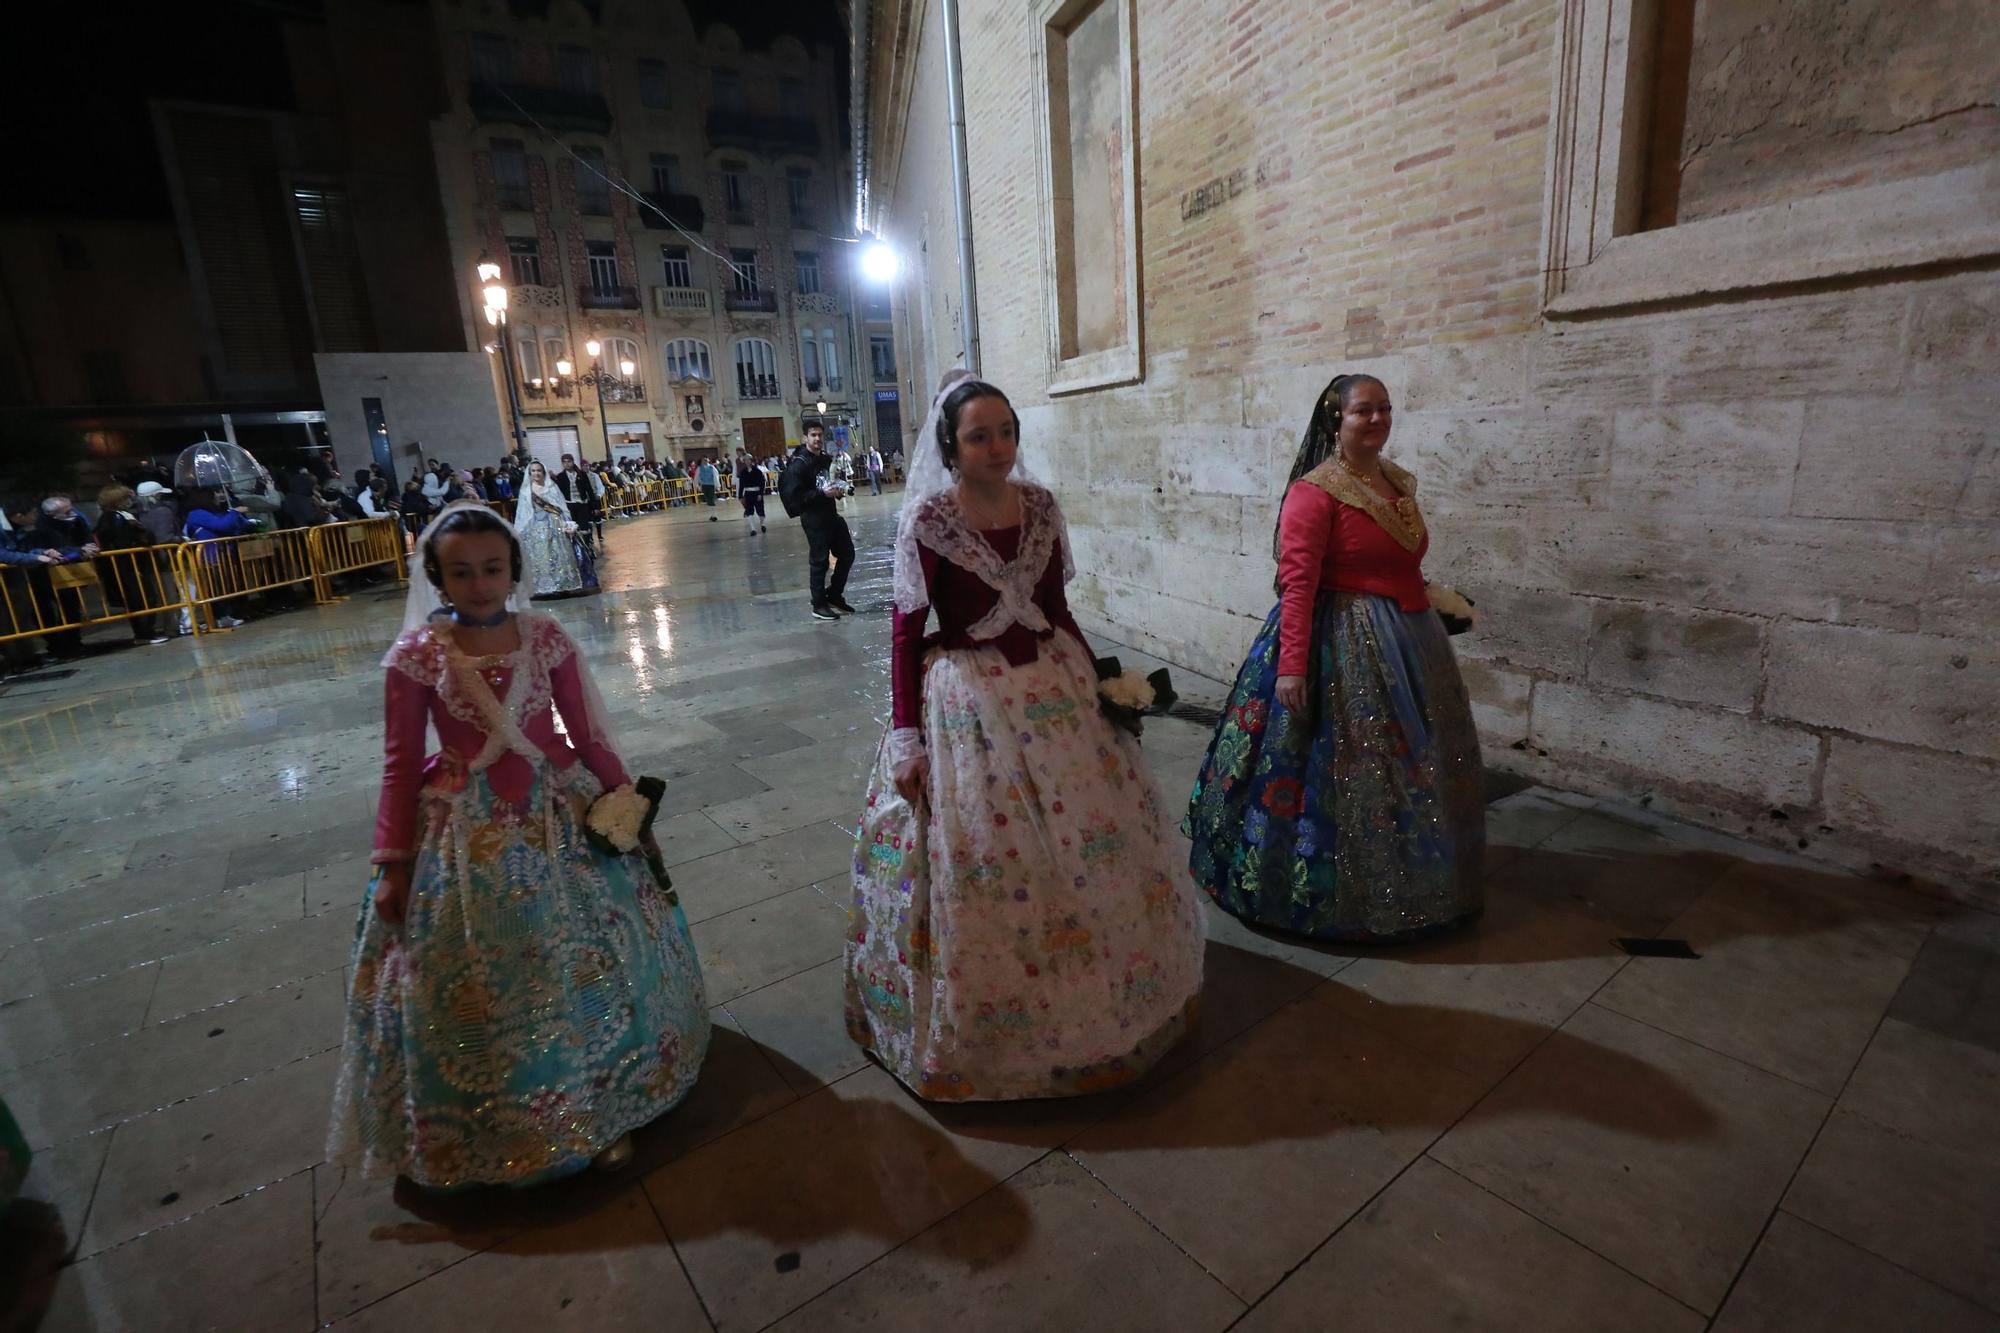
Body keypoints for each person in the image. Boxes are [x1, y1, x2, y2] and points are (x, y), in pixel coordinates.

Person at [845, 375, 1205, 1101]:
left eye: (1006, 431)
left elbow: (1055, 608)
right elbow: (904, 636)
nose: (998, 447)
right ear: (951, 445)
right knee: (986, 854)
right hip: (968, 702)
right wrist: (907, 738)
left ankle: (1106, 997)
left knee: (1090, 834)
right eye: (979, 435)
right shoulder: (928, 519)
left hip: (1053, 685)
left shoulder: (1040, 506)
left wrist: (1102, 682)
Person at [329, 502, 709, 1188]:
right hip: (463, 827)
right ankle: (495, 1121)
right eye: (463, 572)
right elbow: (398, 761)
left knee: (582, 953)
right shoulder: (416, 657)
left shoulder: (546, 637)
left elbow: (587, 734)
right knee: (485, 971)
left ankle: (600, 1101)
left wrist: (628, 802)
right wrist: (392, 863)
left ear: (514, 570)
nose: (480, 585)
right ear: (438, 579)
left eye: (493, 569)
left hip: (553, 806)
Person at [1185, 373, 1484, 942]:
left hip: (1408, 639)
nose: (1377, 420)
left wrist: (1431, 603)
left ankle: (1414, 869)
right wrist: (1293, 666)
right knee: (1340, 765)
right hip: (1339, 641)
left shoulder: (1394, 482)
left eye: (1385, 409)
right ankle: (1320, 884)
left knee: (1409, 763)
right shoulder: (1315, 492)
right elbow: (1297, 585)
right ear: (1335, 420)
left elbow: (1403, 561)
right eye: (1363, 411)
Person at [779, 422, 856, 622]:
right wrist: (822, 494)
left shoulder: (824, 459)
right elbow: (795, 497)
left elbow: (829, 482)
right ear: (805, 437)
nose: (817, 439)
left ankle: (834, 594)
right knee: (819, 561)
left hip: (831, 514)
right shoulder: (799, 464)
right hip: (814, 518)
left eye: (820, 435)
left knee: (847, 553)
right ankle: (818, 604)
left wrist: (837, 491)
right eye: (813, 435)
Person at [92, 485, 171, 645]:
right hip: (128, 566)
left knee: (144, 598)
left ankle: (146, 632)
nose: (129, 501)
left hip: (130, 565)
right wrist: (138, 531)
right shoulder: (114, 518)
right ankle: (144, 633)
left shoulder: (118, 516)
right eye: (125, 498)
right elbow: (125, 541)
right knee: (141, 599)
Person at [182, 488, 253, 629]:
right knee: (216, 588)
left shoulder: (215, 512)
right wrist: (234, 512)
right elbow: (222, 525)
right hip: (210, 556)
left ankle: (227, 615)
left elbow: (232, 528)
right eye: (215, 492)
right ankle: (221, 617)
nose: (219, 495)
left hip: (222, 554)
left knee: (224, 586)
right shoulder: (197, 514)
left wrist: (240, 517)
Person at [516, 461, 588, 598]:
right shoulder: (526, 491)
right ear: (529, 473)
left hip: (555, 524)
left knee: (559, 553)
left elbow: (561, 506)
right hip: (536, 527)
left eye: (539, 470)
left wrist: (567, 522)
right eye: (533, 471)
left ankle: (562, 584)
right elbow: (523, 512)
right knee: (541, 555)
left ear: (543, 472)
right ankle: (543, 586)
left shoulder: (551, 487)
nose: (536, 473)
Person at [555, 454, 603, 551]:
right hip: (569, 506)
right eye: (564, 462)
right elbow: (559, 494)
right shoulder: (560, 477)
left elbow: (589, 490)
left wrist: (595, 507)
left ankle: (587, 548)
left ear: (573, 462)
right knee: (571, 528)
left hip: (582, 505)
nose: (567, 464)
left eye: (569, 461)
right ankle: (575, 549)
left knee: (584, 527)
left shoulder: (582, 474)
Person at [736, 451, 768, 533]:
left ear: (751, 460)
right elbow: (741, 484)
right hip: (748, 494)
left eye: (749, 460)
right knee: (749, 511)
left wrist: (760, 493)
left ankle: (762, 524)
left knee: (760, 510)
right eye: (745, 460)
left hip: (757, 493)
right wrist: (740, 496)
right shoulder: (743, 472)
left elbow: (762, 483)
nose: (747, 461)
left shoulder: (757, 471)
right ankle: (753, 529)